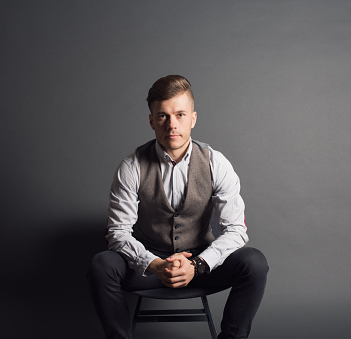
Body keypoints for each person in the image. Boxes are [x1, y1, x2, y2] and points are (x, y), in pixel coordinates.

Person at [89, 75, 268, 339]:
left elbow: (236, 231)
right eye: (162, 116)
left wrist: (197, 265)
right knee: (102, 264)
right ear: (151, 120)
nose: (172, 125)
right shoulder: (131, 166)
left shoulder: (215, 163)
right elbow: (117, 233)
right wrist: (155, 264)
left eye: (180, 114)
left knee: (254, 262)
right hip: (148, 267)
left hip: (201, 265)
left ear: (193, 118)